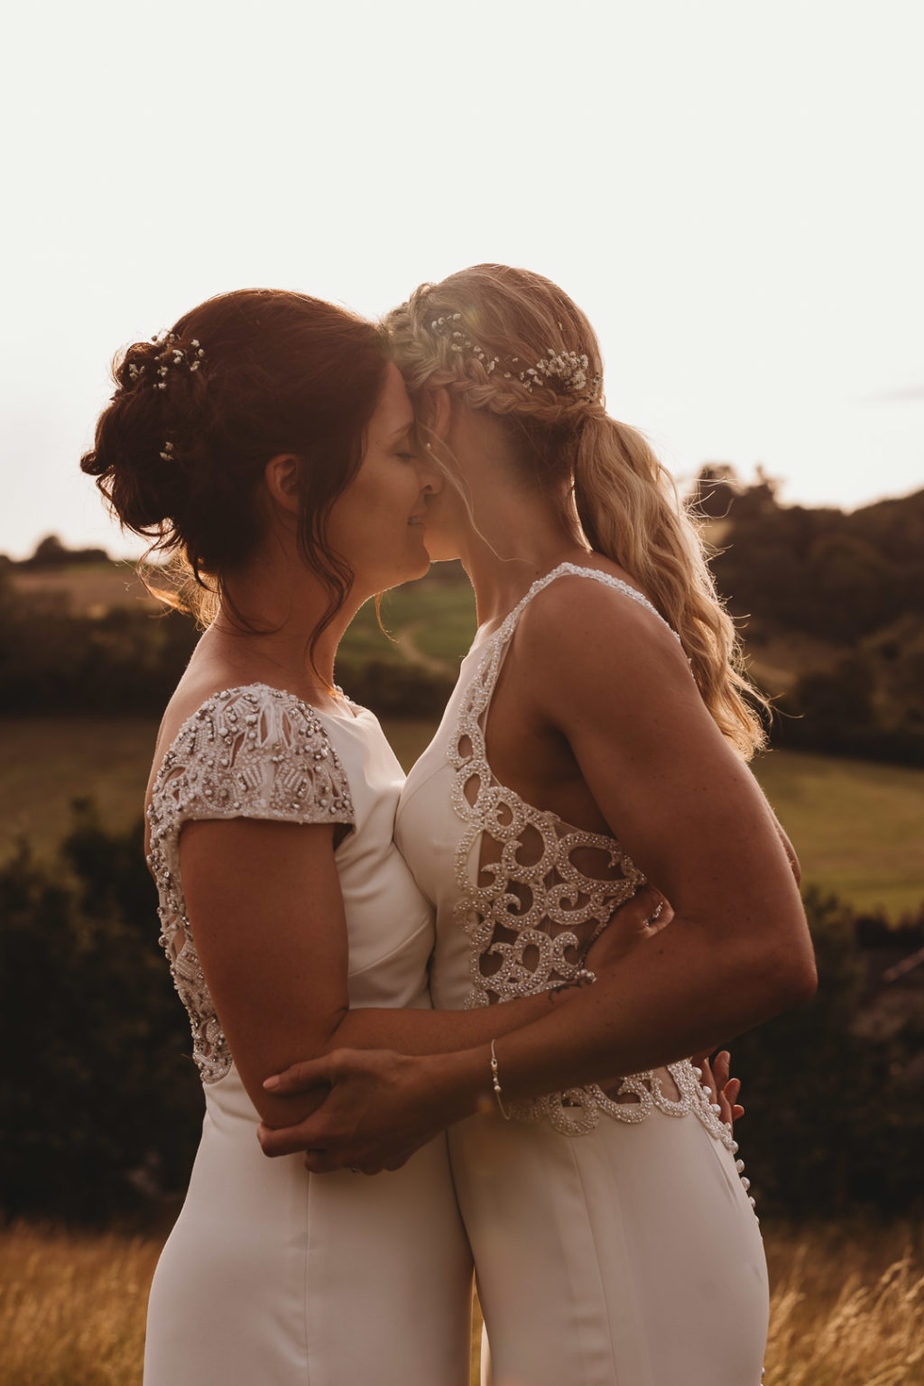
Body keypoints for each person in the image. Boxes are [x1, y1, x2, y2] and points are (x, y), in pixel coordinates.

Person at [81, 287, 687, 1386]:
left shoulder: (321, 709)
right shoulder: (249, 726)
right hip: (303, 1280)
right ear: (293, 484)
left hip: (378, 1262)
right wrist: (606, 1015)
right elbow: (299, 1067)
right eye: (403, 448)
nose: (428, 478)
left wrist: (658, 1020)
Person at [258, 266, 817, 1386]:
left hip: (615, 1211)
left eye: (398, 432)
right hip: (545, 1212)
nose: (393, 469)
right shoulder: (513, 624)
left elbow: (764, 944)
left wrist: (470, 1074)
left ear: (449, 413)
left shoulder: (579, 620)